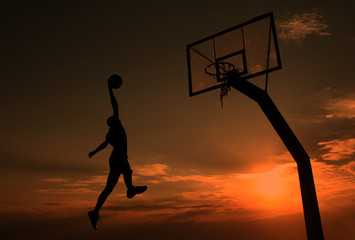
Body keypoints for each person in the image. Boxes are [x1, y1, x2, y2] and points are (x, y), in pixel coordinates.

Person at [88, 74, 147, 230]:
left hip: (115, 158)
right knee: (127, 171)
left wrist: (94, 152)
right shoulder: (117, 127)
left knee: (109, 188)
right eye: (115, 119)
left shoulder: (110, 133)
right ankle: (130, 190)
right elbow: (115, 105)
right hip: (118, 157)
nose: (118, 118)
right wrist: (109, 89)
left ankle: (95, 212)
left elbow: (104, 144)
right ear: (113, 122)